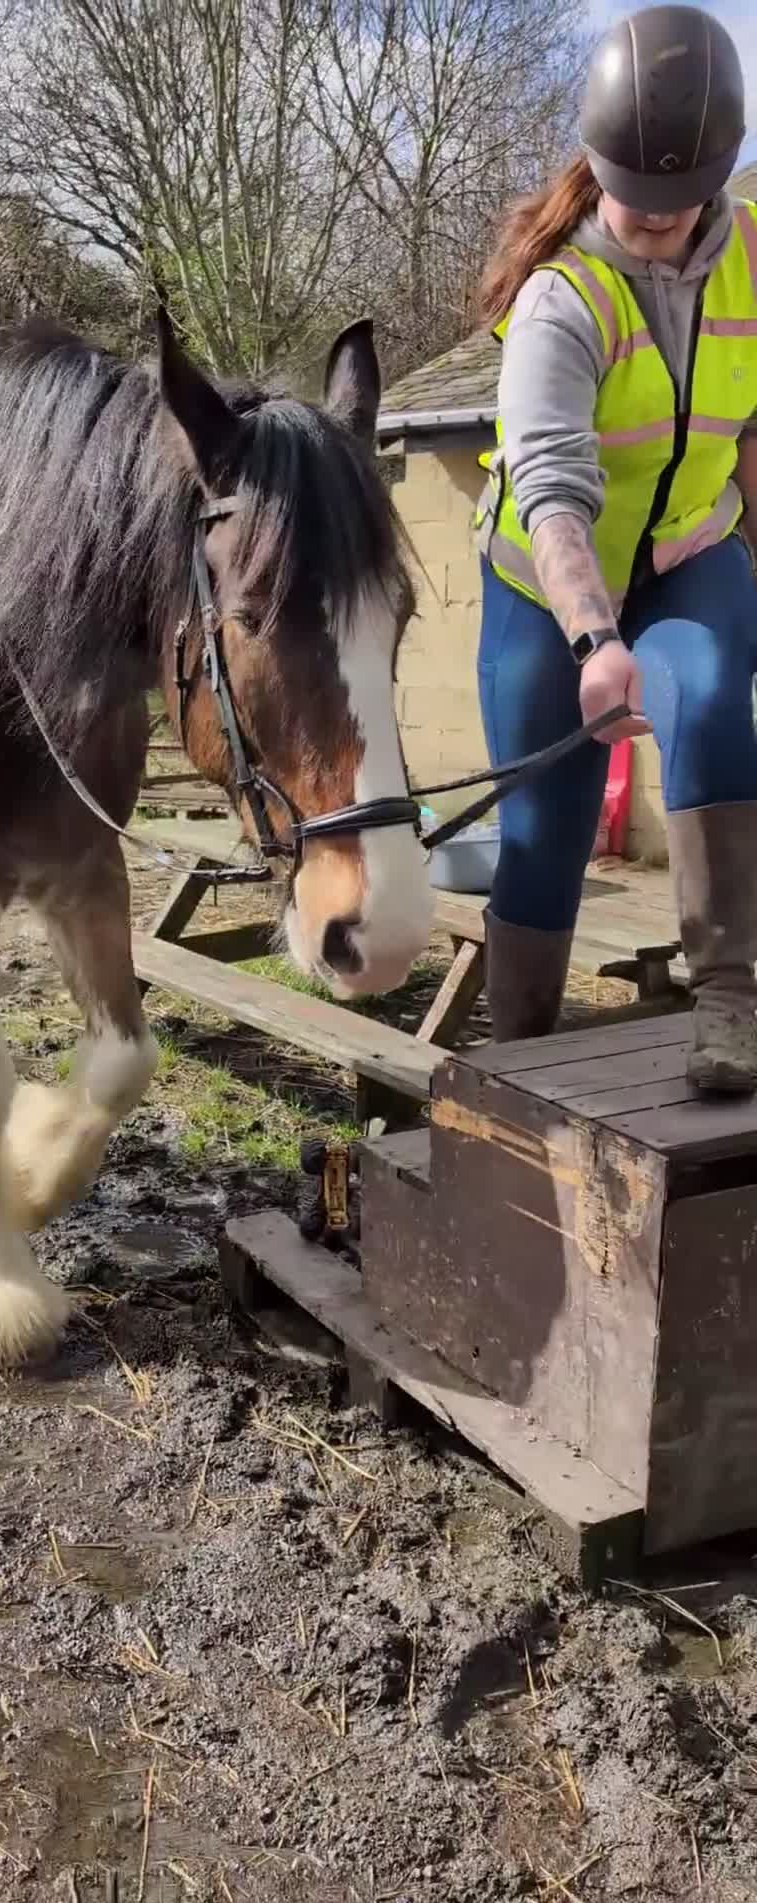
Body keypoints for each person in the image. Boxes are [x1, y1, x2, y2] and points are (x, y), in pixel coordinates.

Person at [475, 2, 757, 1093]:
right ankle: (518, 1066)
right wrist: (594, 639)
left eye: (678, 200)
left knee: (712, 697)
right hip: (545, 586)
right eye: (632, 196)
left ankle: (728, 1005)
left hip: (690, 554)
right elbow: (550, 488)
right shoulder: (560, 298)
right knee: (545, 832)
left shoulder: (753, 260)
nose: (653, 218)